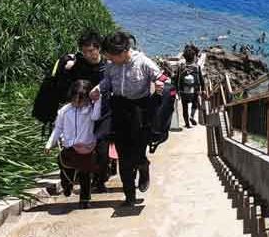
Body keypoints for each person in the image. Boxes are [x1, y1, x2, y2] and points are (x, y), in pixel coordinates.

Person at [92, 31, 166, 207]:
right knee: (123, 155)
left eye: (113, 55)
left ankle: (143, 166)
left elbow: (161, 76)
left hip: (140, 112)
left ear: (125, 51)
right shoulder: (111, 65)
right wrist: (97, 89)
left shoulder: (143, 62)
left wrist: (159, 84)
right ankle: (129, 196)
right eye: (108, 55)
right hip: (118, 110)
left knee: (138, 152)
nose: (110, 58)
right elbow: (107, 82)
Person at [45, 80, 102, 209]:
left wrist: (98, 100)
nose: (77, 103)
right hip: (70, 146)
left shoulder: (90, 110)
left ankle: (85, 199)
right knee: (64, 164)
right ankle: (67, 184)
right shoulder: (64, 111)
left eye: (81, 100)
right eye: (74, 100)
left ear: (88, 98)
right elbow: (58, 128)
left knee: (85, 173)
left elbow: (96, 117)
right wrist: (50, 143)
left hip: (86, 147)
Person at [177, 45, 204, 128]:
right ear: (194, 57)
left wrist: (177, 91)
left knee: (184, 107)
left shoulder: (181, 67)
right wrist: (203, 89)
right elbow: (201, 79)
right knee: (195, 103)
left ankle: (187, 123)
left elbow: (177, 79)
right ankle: (192, 116)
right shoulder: (197, 67)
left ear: (184, 58)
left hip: (183, 91)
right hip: (195, 90)